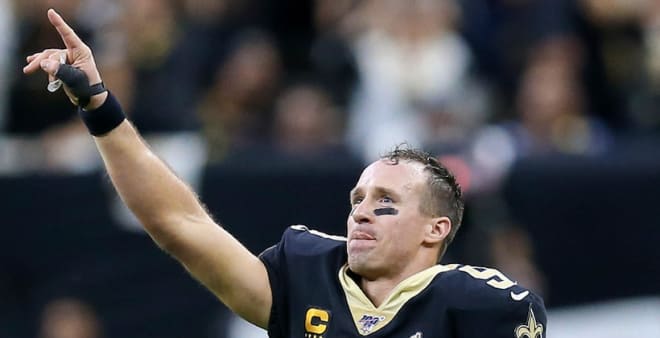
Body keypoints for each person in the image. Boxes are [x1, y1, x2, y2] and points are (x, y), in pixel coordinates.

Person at [24, 9, 547, 338]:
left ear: (437, 229)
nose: (362, 213)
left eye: (385, 202)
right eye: (357, 200)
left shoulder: (482, 305)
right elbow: (178, 222)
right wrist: (99, 106)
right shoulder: (308, 278)